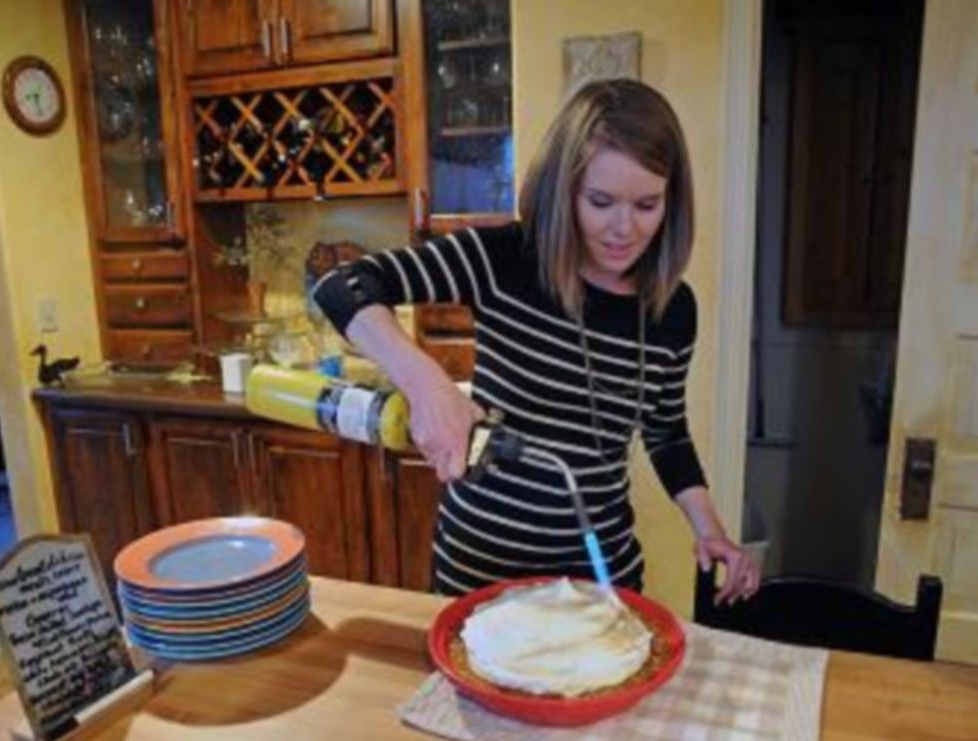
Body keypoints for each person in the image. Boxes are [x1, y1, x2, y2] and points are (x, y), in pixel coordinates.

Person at [314, 79, 759, 604]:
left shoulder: (672, 309)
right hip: (479, 572)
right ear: (563, 189)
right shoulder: (507, 259)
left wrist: (709, 528)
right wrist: (425, 384)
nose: (624, 229)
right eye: (600, 201)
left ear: (672, 201)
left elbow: (666, 432)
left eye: (646, 204)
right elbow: (340, 287)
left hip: (600, 576)